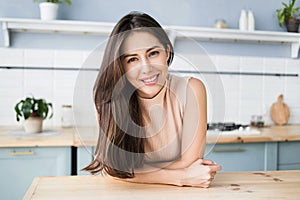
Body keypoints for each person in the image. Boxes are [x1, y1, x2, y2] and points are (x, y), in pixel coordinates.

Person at [83, 11, 221, 188]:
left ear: (167, 51)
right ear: (121, 66)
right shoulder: (108, 99)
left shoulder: (191, 90)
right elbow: (112, 169)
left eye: (153, 53)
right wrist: (181, 177)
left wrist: (135, 171)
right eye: (133, 59)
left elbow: (191, 162)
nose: (146, 68)